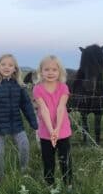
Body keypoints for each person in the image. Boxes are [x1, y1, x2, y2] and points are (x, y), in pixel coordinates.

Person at [0, 53, 38, 182]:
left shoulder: (19, 85)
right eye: (3, 64)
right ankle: (0, 177)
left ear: (15, 69)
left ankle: (24, 170)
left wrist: (34, 123)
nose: (6, 67)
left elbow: (26, 105)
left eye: (10, 65)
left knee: (25, 145)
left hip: (16, 124)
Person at [33, 55, 72, 187]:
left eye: (54, 70)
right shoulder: (37, 89)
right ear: (41, 71)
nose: (50, 72)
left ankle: (68, 184)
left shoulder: (63, 87)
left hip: (63, 130)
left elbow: (61, 108)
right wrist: (51, 131)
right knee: (48, 160)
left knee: (65, 160)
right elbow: (44, 110)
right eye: (46, 69)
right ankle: (50, 185)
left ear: (59, 71)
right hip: (45, 132)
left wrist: (56, 130)